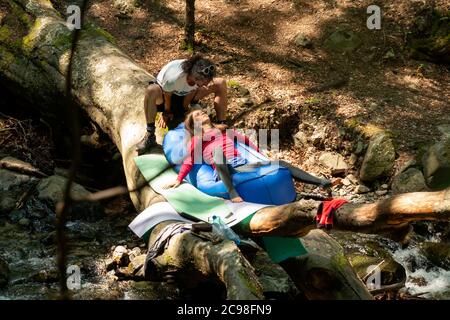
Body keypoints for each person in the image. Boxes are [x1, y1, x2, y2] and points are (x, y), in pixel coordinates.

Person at [164, 109, 332, 202]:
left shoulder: (222, 131)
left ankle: (321, 182)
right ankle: (232, 192)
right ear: (195, 124)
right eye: (197, 115)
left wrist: (262, 159)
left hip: (242, 164)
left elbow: (244, 140)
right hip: (224, 169)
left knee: (281, 163)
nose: (202, 113)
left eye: (202, 111)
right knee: (217, 153)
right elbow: (189, 160)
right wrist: (179, 180)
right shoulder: (196, 139)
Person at [136, 55, 228, 155]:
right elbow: (167, 96)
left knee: (220, 83)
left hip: (184, 96)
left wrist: (185, 109)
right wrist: (167, 112)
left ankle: (222, 126)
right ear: (195, 77)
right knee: (151, 90)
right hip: (165, 96)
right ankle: (150, 134)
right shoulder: (174, 78)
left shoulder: (197, 76)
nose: (206, 85)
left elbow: (192, 90)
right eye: (205, 82)